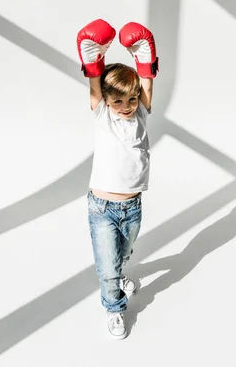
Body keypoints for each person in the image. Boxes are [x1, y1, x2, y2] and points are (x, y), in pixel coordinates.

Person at [76, 18, 159, 339]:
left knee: (123, 254)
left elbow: (148, 82)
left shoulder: (141, 110)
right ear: (107, 101)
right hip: (101, 207)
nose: (126, 107)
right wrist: (93, 55)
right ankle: (115, 308)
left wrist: (143, 52)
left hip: (133, 207)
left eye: (131, 100)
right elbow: (96, 85)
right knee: (107, 266)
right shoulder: (101, 111)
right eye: (118, 102)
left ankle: (120, 272)